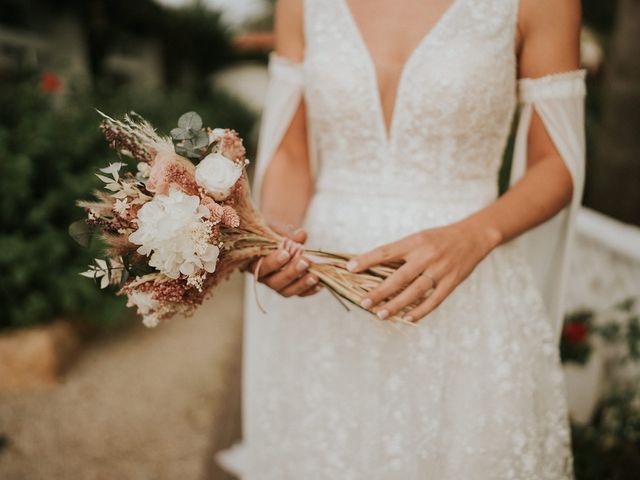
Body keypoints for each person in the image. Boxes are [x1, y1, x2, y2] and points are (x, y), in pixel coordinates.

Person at [218, 0, 586, 477]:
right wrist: (278, 240)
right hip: (323, 297)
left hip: (463, 290)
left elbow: (556, 163)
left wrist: (476, 234)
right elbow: (290, 150)